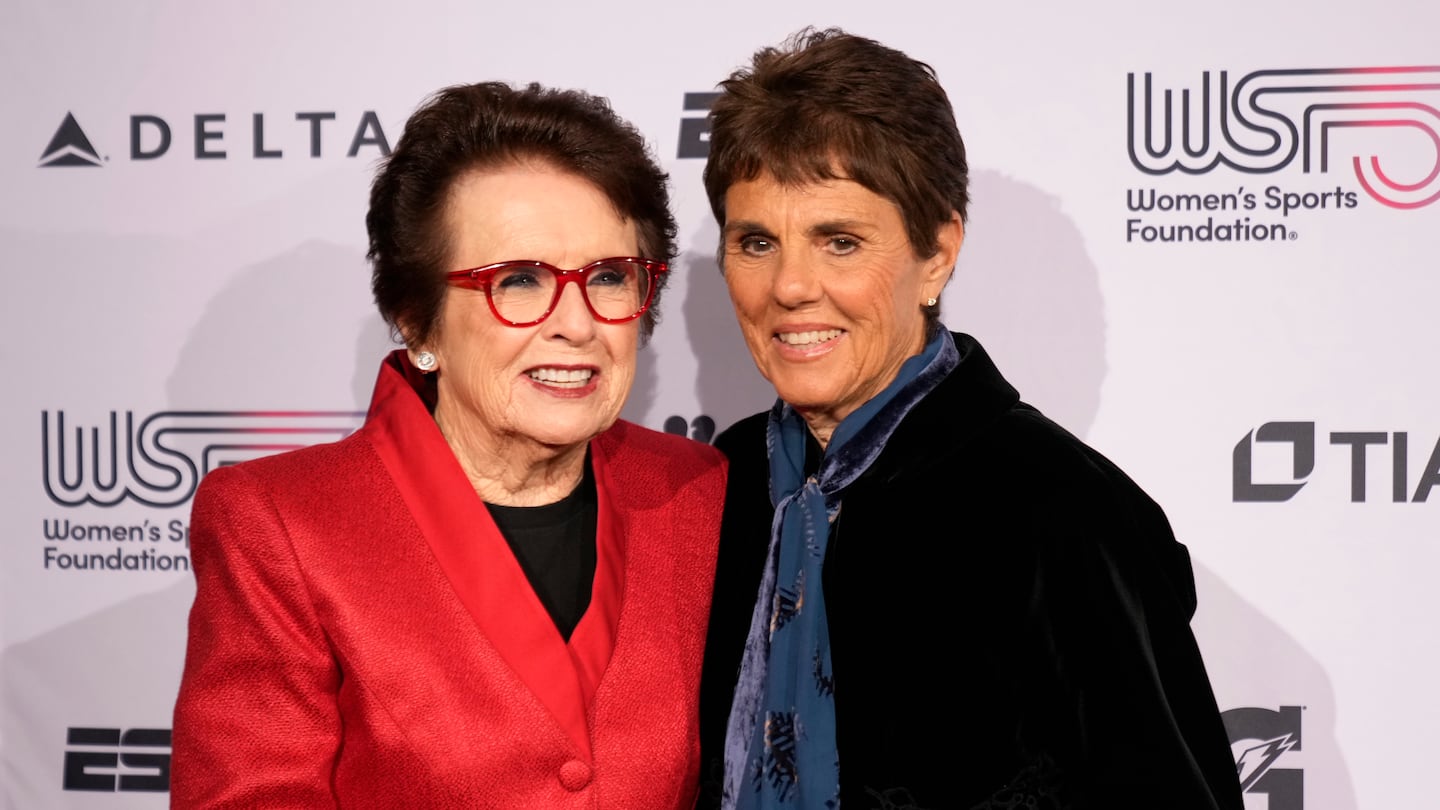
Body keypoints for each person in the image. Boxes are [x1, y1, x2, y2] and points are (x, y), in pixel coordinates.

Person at [696, 29, 1244, 810]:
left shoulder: (1062, 510)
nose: (789, 287)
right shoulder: (724, 483)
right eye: (756, 242)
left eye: (840, 242)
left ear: (938, 254)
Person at [171, 82, 726, 809]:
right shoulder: (280, 523)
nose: (577, 324)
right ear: (418, 322)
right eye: (519, 280)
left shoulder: (699, 490)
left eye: (609, 277)